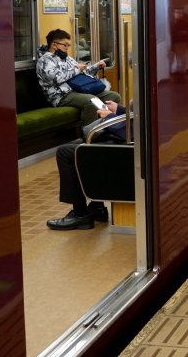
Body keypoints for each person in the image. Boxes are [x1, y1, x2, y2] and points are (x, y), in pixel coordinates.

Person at [46, 100, 127, 230]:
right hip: (127, 143)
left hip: (127, 150)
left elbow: (135, 128)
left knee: (65, 152)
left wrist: (110, 117)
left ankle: (80, 214)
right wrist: (120, 110)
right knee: (83, 143)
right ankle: (97, 207)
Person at [37, 28, 121, 126]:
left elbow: (82, 73)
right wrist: (76, 69)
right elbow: (54, 79)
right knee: (91, 101)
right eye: (65, 45)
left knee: (113, 96)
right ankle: (90, 133)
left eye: (68, 45)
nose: (67, 48)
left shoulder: (66, 58)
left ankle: (107, 126)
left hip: (78, 90)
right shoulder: (44, 61)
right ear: (54, 45)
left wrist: (96, 67)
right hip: (61, 95)